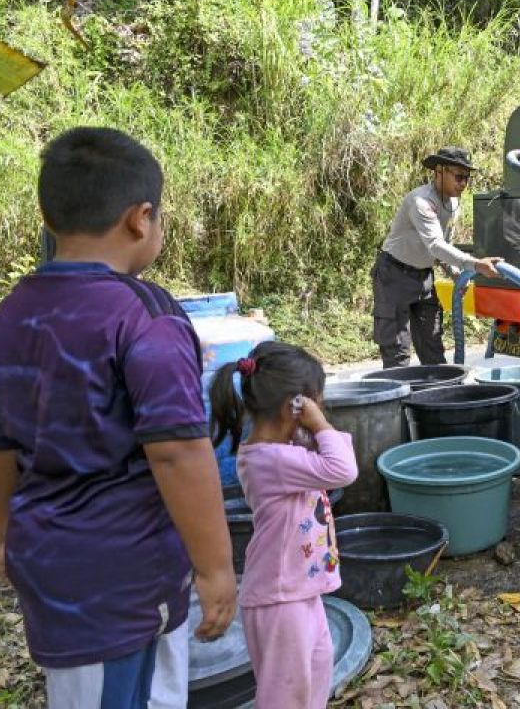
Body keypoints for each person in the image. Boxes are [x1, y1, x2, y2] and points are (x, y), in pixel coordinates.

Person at [0, 127, 235, 708]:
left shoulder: (3, 319)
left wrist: (6, 538)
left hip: (50, 569)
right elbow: (177, 449)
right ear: (140, 218)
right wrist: (216, 569)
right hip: (124, 583)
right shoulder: (144, 315)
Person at [209, 342, 357, 709]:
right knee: (285, 696)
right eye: (315, 404)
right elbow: (344, 470)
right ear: (294, 406)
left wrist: (307, 432)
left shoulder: (283, 454)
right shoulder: (271, 460)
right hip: (279, 599)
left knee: (316, 676)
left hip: (298, 591)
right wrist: (319, 425)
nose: (319, 412)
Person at [373, 146, 503, 368]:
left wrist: (453, 273)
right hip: (394, 275)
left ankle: (436, 398)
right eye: (458, 176)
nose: (463, 183)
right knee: (397, 355)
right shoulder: (421, 202)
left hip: (423, 277)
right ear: (439, 172)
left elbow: (444, 244)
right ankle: (398, 402)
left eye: (466, 178)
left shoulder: (452, 204)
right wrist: (475, 265)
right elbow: (434, 244)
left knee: (433, 349)